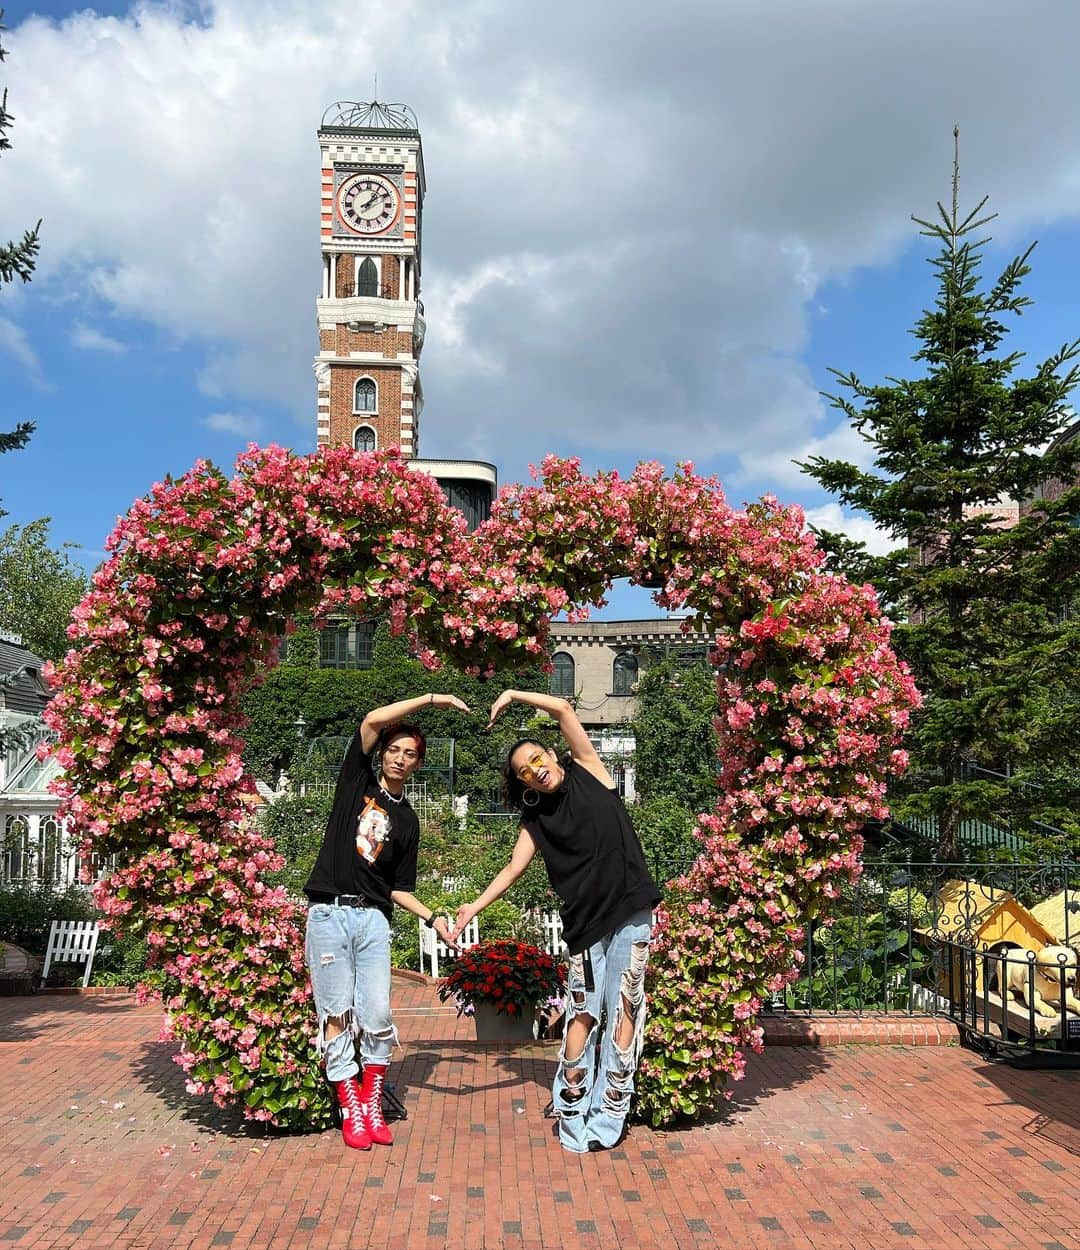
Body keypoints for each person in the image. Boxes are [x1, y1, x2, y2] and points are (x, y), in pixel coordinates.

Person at [452, 690, 660, 1154]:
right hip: (585, 924)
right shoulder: (536, 819)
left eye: (537, 758)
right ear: (523, 782)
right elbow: (512, 869)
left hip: (630, 911)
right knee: (584, 1013)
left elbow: (564, 709)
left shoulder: (590, 770)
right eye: (525, 771)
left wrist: (509, 695)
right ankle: (571, 1105)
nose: (535, 769)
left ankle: (611, 1108)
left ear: (550, 753)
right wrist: (472, 908)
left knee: (625, 1007)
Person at [304, 693, 469, 1150]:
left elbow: (398, 886)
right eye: (394, 750)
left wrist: (433, 916)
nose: (400, 758)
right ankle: (349, 1106)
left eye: (410, 754)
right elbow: (372, 717)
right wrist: (433, 700)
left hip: (374, 921)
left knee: (377, 1014)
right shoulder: (355, 785)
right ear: (381, 755)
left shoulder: (407, 820)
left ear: (418, 765)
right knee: (336, 1012)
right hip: (330, 914)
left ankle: (371, 1098)